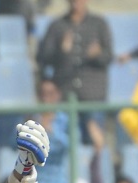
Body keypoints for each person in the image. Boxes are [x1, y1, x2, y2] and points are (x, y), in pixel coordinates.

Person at [35, 0, 113, 143]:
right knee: (65, 142)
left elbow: (108, 57)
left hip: (92, 95)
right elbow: (43, 57)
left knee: (94, 144)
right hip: (65, 94)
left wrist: (97, 55)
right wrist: (62, 51)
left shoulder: (99, 24)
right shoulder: (57, 25)